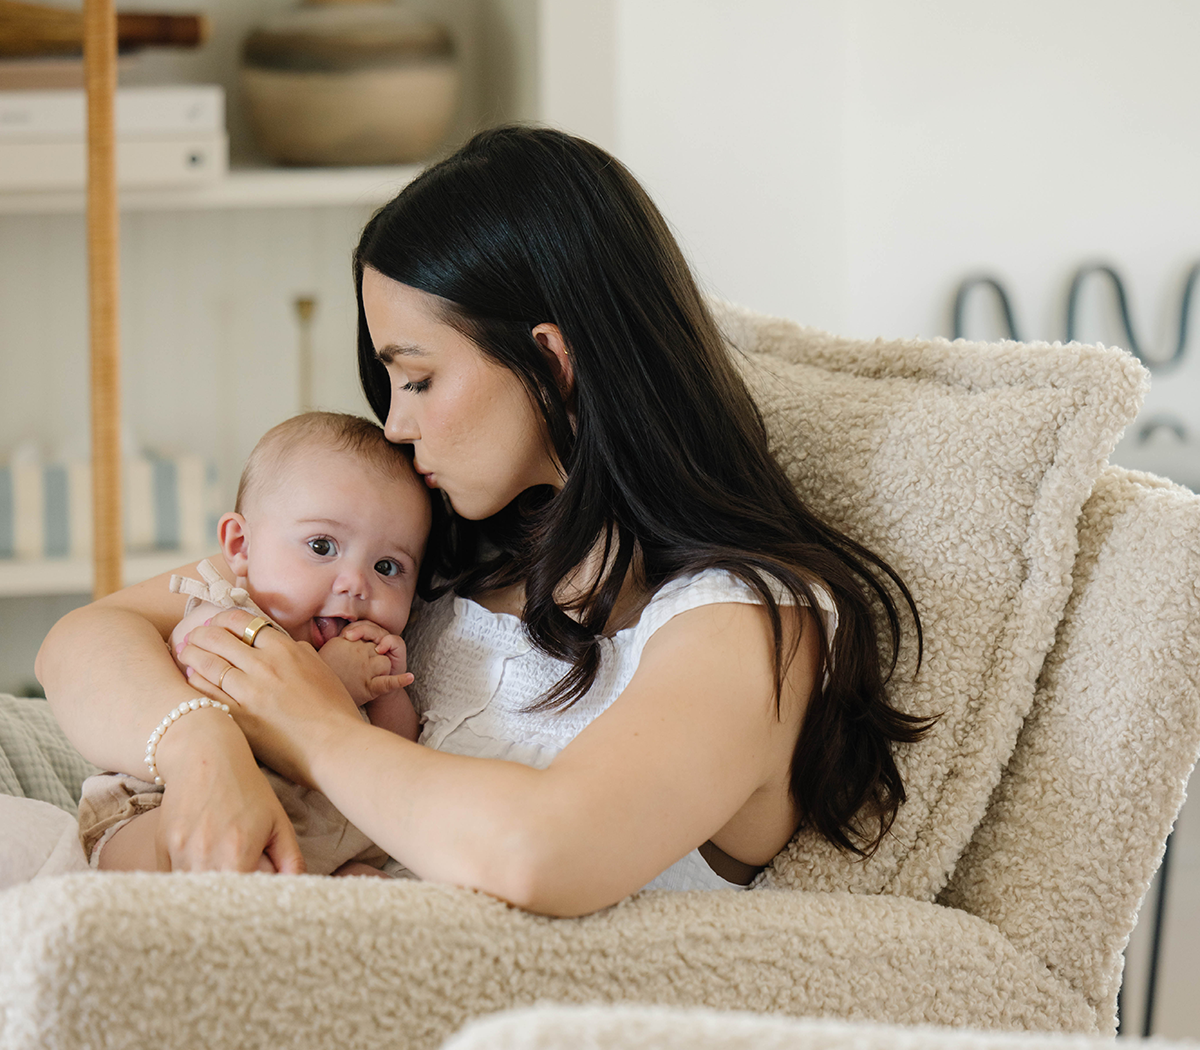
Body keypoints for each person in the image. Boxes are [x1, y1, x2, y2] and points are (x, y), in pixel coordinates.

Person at [37, 126, 929, 916]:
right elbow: (87, 639)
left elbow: (541, 851)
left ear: (552, 360)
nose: (394, 423)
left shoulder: (751, 621)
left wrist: (308, 727)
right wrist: (202, 752)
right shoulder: (425, 548)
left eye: (418, 377)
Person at [76, 411, 430, 876]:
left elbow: (394, 757)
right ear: (241, 547)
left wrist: (386, 690)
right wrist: (333, 681)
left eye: (388, 567)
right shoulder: (222, 619)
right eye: (322, 547)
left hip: (316, 841)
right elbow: (207, 694)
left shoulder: (367, 645)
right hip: (166, 808)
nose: (355, 583)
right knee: (209, 862)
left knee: (374, 887)